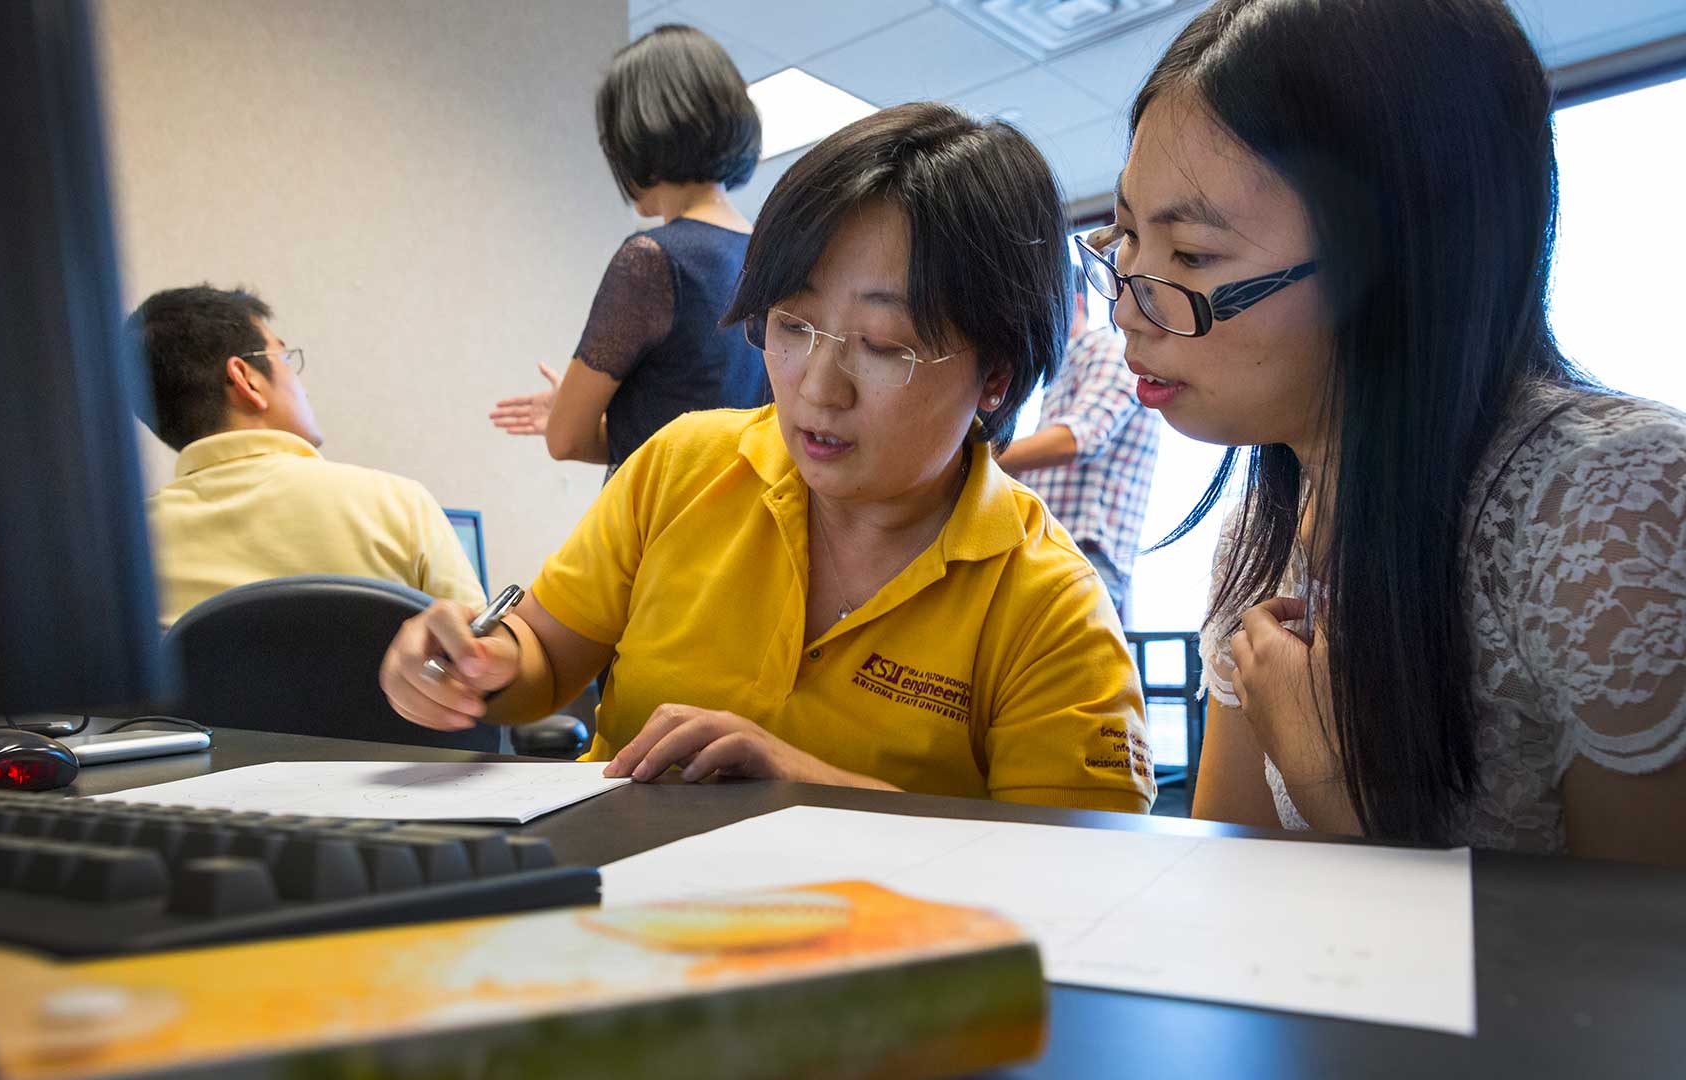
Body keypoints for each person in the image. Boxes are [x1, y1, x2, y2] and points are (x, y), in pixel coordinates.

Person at [385, 104, 1156, 812]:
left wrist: (807, 787)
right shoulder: (684, 467)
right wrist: (475, 659)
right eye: (791, 325)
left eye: (883, 348)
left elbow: (1071, 874)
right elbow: (544, 655)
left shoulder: (1048, 606)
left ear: (998, 376)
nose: (818, 389)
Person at [1094, 0, 1685, 864]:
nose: (1125, 311)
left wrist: (1329, 782)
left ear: (1395, 263)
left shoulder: (1613, 510)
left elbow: (1634, 983)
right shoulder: (1256, 541)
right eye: (1127, 240)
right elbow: (1230, 905)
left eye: (1190, 257)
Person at [488, 25, 771, 480]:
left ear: (635, 134)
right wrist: (619, 419)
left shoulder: (652, 260)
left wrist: (573, 416)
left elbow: (565, 440)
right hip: (744, 529)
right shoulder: (773, 257)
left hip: (661, 531)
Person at [134, 285, 485, 627]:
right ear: (246, 380)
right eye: (284, 357)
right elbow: (482, 662)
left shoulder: (128, 550)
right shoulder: (399, 506)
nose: (301, 383)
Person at [999, 292, 1160, 616]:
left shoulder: (1106, 350)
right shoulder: (1068, 367)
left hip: (1084, 555)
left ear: (1074, 303)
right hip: (1062, 552)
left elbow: (1084, 437)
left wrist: (979, 457)